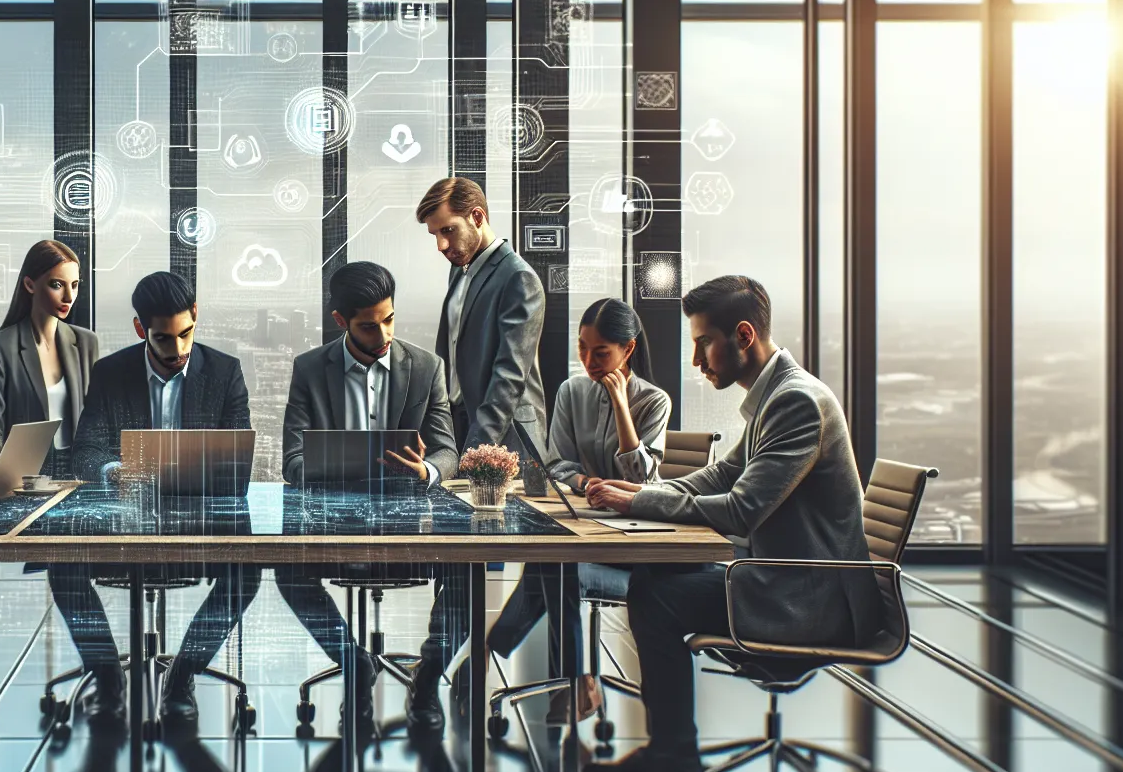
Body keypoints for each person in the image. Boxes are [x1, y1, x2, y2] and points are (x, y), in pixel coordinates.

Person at [583, 275, 874, 772]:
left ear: (743, 335)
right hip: (788, 580)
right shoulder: (780, 394)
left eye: (701, 342)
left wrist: (640, 502)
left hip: (806, 602)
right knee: (659, 579)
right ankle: (670, 751)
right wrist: (639, 495)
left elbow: (741, 508)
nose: (695, 359)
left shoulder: (795, 404)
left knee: (657, 596)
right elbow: (722, 474)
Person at [54, 270, 260, 728]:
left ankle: (183, 674)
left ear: (196, 318)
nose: (178, 349)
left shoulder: (225, 371)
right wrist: (113, 470)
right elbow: (86, 452)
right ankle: (106, 677)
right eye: (163, 338)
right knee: (63, 566)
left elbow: (236, 454)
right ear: (140, 330)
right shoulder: (112, 372)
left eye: (187, 333)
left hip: (198, 512)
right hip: (127, 512)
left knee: (245, 576)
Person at [273, 260, 464, 736]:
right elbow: (292, 463)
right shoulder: (310, 369)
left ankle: (428, 677)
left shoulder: (425, 367)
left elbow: (447, 451)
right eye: (367, 324)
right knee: (287, 570)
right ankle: (353, 662)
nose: (381, 333)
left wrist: (427, 470)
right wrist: (348, 466)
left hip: (409, 515)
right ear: (340, 321)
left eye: (389, 319)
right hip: (333, 517)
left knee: (465, 570)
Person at [484, 297, 672, 720]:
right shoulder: (572, 391)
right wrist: (585, 482)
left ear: (629, 349)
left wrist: (622, 406)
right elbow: (558, 463)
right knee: (552, 561)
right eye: (582, 348)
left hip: (634, 541)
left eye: (601, 351)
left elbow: (642, 479)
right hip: (583, 523)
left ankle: (498, 660)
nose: (589, 360)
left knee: (554, 564)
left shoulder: (654, 401)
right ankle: (572, 684)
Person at [420, 176, 547, 454]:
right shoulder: (459, 269)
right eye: (435, 235)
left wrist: (477, 448)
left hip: (504, 437)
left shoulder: (518, 278)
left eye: (448, 230)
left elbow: (509, 376)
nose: (441, 245)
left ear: (477, 217)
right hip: (460, 423)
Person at [0, 240, 101, 480]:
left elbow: (96, 421)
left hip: (78, 474)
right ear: (29, 284)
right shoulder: (0, 346)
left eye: (74, 285)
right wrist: (22, 472)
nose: (69, 296)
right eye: (57, 285)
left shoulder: (87, 343)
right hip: (24, 477)